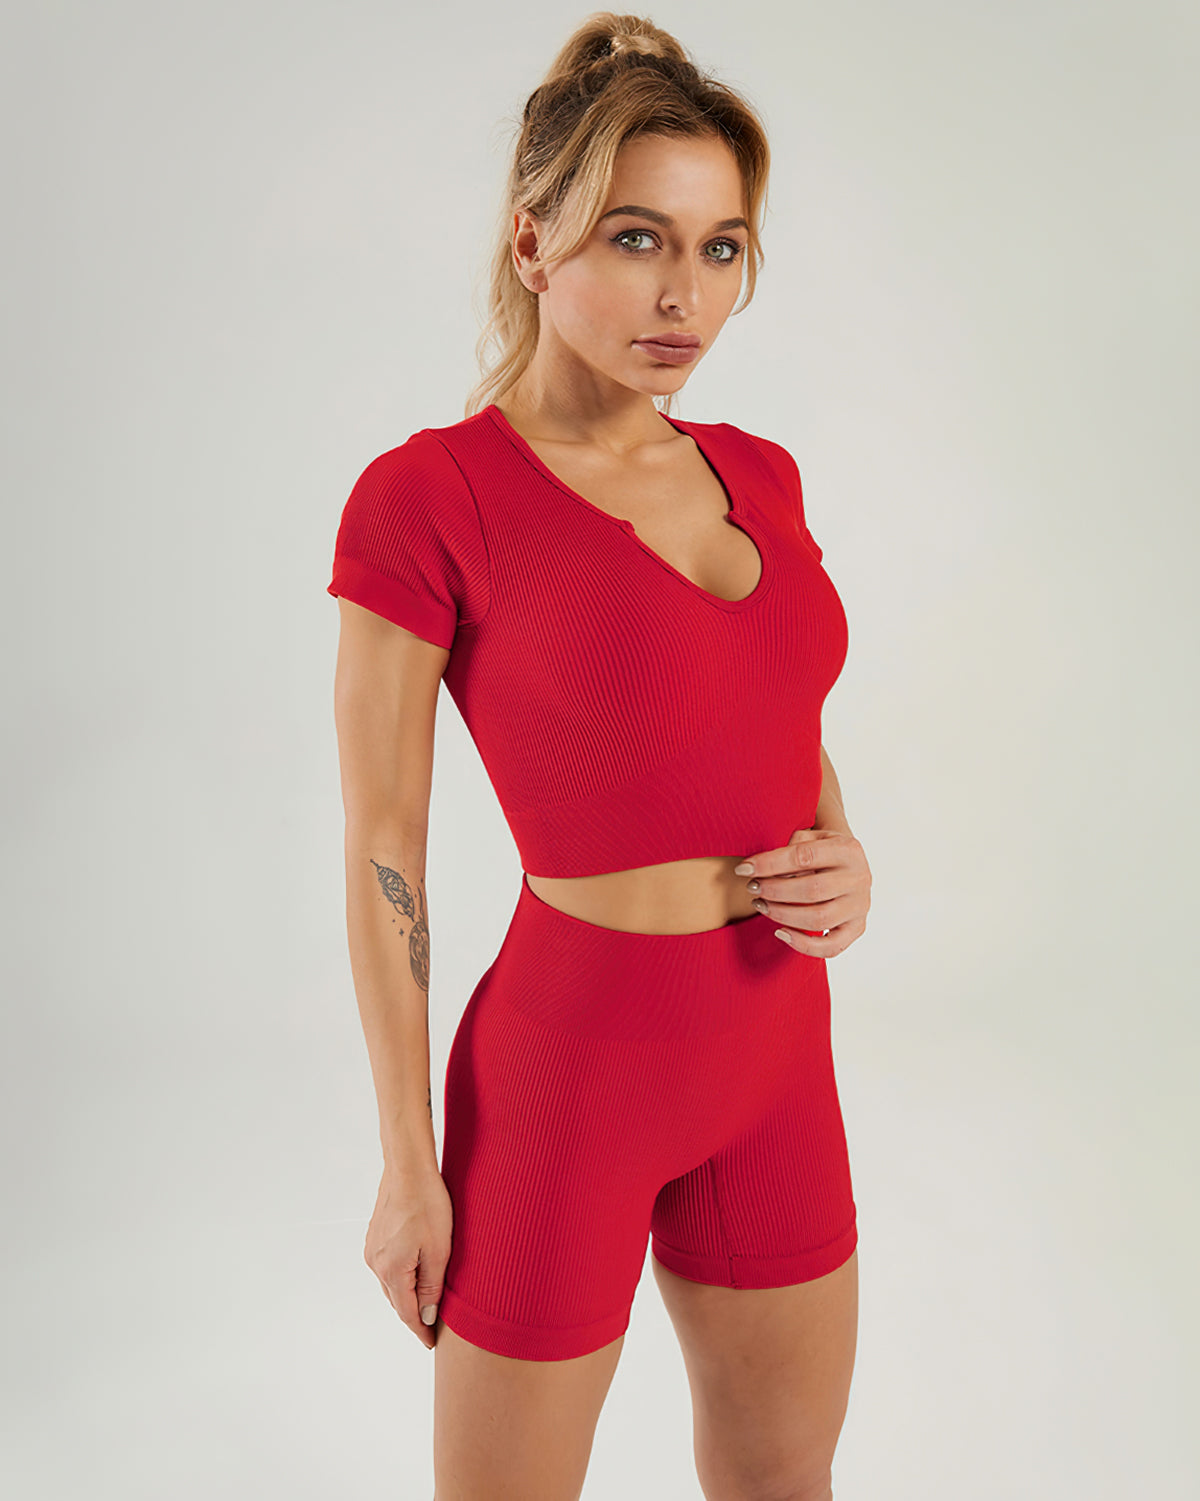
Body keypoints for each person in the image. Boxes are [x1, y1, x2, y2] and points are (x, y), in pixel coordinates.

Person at [326, 12, 873, 1499]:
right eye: (638, 239)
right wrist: (408, 1161)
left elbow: (780, 712)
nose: (683, 295)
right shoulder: (431, 498)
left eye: (719, 248)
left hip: (777, 1052)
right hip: (571, 1073)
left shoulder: (758, 473)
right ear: (533, 242)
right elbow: (384, 843)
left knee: (788, 1483)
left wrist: (841, 845)